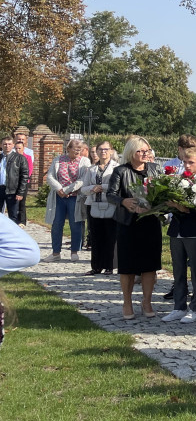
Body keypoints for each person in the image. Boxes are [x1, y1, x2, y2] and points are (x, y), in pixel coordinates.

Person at [107, 136, 161, 320]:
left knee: (149, 266)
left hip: (150, 222)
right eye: (141, 151)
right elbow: (110, 195)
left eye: (148, 151)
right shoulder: (120, 171)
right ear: (131, 152)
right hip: (128, 224)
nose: (146, 154)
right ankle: (127, 302)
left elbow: (163, 192)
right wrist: (123, 201)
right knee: (127, 267)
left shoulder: (155, 169)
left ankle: (147, 301)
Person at [162, 147, 196, 324]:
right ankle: (179, 306)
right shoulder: (178, 179)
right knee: (178, 270)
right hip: (177, 230)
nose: (187, 165)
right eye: (185, 162)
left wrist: (184, 208)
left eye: (191, 162)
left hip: (194, 230)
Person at [45, 139, 88, 260]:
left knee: (75, 224)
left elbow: (83, 179)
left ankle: (74, 252)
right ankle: (55, 253)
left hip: (75, 197)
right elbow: (50, 176)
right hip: (59, 197)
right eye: (75, 148)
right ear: (68, 149)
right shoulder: (58, 159)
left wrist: (67, 190)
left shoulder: (85, 161)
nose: (78, 151)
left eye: (80, 149)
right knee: (57, 224)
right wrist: (59, 189)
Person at [81, 140, 118, 275]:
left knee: (110, 235)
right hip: (93, 205)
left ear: (111, 151)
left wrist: (103, 188)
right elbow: (83, 189)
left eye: (106, 149)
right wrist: (92, 188)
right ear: (96, 152)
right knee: (96, 236)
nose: (103, 152)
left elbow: (118, 187)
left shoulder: (116, 168)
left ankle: (109, 266)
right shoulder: (91, 169)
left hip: (110, 205)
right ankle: (96, 266)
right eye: (101, 149)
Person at [0, 136, 28, 220]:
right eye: (5, 144)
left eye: (9, 144)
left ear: (13, 145)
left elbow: (24, 176)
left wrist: (20, 192)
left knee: (13, 216)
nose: (7, 146)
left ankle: (12, 232)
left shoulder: (20, 158)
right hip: (0, 189)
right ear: (1, 145)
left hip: (12, 190)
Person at [12, 140, 30, 226]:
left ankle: (22, 221)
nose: (17, 150)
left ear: (23, 149)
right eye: (16, 148)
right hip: (14, 183)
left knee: (22, 202)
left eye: (19, 148)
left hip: (24, 182)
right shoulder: (13, 157)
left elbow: (28, 171)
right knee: (14, 202)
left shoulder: (27, 157)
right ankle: (15, 219)